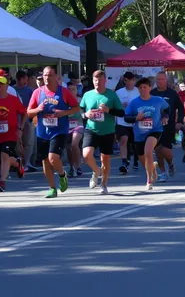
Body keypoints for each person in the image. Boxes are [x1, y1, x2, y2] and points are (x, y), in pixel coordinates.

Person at [27, 66, 80, 198]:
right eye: (45, 75)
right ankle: (52, 188)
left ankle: (62, 174)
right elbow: (28, 112)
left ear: (56, 77)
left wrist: (63, 113)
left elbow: (76, 107)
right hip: (42, 132)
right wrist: (38, 109)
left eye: (50, 75)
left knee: (53, 158)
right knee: (45, 161)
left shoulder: (64, 92)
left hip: (59, 130)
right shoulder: (37, 93)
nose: (47, 78)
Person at [80, 70, 125, 195]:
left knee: (105, 159)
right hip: (91, 128)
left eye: (100, 80)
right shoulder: (87, 94)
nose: (97, 83)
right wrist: (85, 114)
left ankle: (104, 184)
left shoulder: (111, 95)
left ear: (105, 81)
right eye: (95, 80)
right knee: (86, 154)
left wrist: (108, 110)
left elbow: (121, 112)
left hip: (107, 131)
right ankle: (96, 170)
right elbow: (81, 108)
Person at [0, 74, 27, 192]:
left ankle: (2, 182)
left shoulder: (13, 99)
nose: (0, 86)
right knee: (3, 158)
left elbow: (24, 113)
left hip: (11, 133)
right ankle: (17, 163)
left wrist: (21, 129)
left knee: (4, 155)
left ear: (7, 86)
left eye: (3, 84)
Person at [124, 78, 169, 190]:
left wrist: (165, 117)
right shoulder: (134, 103)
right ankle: (152, 168)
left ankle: (149, 180)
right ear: (138, 89)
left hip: (155, 130)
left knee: (148, 151)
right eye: (140, 88)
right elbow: (126, 117)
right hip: (139, 134)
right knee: (142, 157)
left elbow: (167, 109)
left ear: (149, 88)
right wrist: (136, 118)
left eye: (145, 87)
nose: (143, 89)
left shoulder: (158, 100)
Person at [151, 71, 184, 182]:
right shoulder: (152, 93)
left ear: (166, 81)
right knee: (157, 150)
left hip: (168, 126)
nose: (159, 81)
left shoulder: (172, 93)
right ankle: (163, 172)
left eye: (161, 79)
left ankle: (170, 163)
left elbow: (181, 108)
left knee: (165, 149)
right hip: (154, 126)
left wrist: (179, 121)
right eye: (158, 79)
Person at [116, 72, 140, 174]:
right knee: (124, 139)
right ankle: (124, 162)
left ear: (133, 80)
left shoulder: (139, 91)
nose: (128, 82)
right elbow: (115, 106)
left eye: (130, 80)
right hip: (122, 120)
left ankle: (136, 160)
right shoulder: (119, 92)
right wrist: (122, 106)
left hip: (136, 121)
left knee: (135, 143)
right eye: (125, 80)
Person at [66, 82, 84, 178]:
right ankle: (71, 167)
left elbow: (85, 111)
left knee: (74, 144)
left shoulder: (80, 100)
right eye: (69, 89)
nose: (71, 91)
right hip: (66, 126)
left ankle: (78, 166)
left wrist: (85, 114)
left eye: (73, 89)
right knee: (69, 148)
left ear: (77, 90)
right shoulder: (64, 101)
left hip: (78, 125)